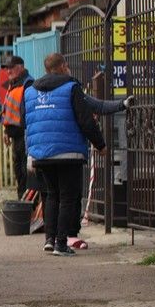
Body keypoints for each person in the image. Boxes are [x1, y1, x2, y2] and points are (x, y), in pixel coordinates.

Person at [25, 53, 132, 256]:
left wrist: (30, 154)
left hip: (41, 154)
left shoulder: (30, 91)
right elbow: (86, 120)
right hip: (68, 152)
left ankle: (50, 239)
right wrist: (100, 145)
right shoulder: (70, 87)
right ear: (64, 66)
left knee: (51, 196)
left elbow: (28, 124)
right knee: (67, 197)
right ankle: (62, 244)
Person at [0, 55, 33, 199]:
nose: (8, 71)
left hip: (24, 135)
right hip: (16, 136)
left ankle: (27, 202)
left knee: (25, 171)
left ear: (20, 67)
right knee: (19, 170)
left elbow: (27, 111)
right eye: (7, 68)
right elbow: (8, 110)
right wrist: (7, 131)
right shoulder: (14, 84)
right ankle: (21, 199)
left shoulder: (28, 84)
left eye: (11, 68)